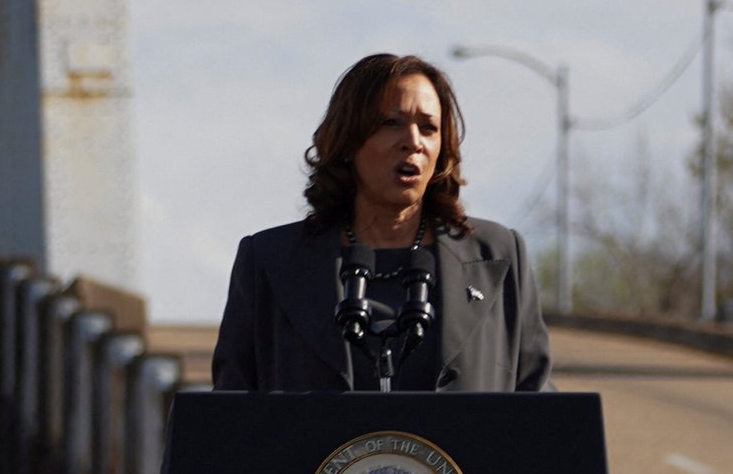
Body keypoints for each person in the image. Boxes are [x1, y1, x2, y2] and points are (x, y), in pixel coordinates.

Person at [212, 53, 552, 392]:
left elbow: (540, 411)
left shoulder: (499, 256)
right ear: (348, 139)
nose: (413, 142)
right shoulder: (269, 261)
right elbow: (228, 419)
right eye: (391, 122)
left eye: (429, 128)